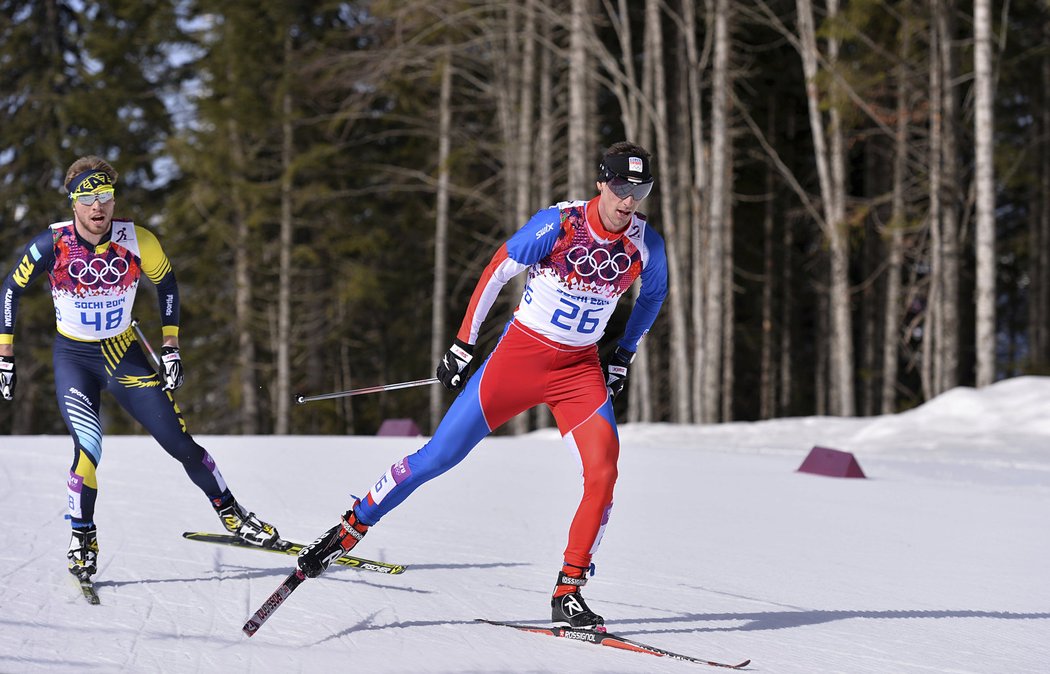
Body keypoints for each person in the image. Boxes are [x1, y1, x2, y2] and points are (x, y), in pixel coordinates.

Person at [297, 141, 668, 629]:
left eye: (639, 189)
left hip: (578, 371)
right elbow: (498, 270)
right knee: (440, 456)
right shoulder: (559, 225)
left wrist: (621, 356)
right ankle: (354, 524)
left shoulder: (646, 243)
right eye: (621, 186)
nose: (628, 199)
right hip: (519, 357)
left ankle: (569, 590)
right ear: (602, 182)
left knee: (604, 470)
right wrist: (463, 345)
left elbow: (653, 297)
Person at [0, 155, 280, 582]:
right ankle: (82, 535)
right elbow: (11, 290)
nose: (99, 207)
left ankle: (233, 514)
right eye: (88, 197)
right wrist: (5, 355)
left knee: (180, 443)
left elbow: (166, 284)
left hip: (123, 354)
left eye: (106, 196)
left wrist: (171, 347)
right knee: (89, 450)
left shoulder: (137, 240)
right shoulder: (51, 244)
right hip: (74, 358)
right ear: (73, 202)